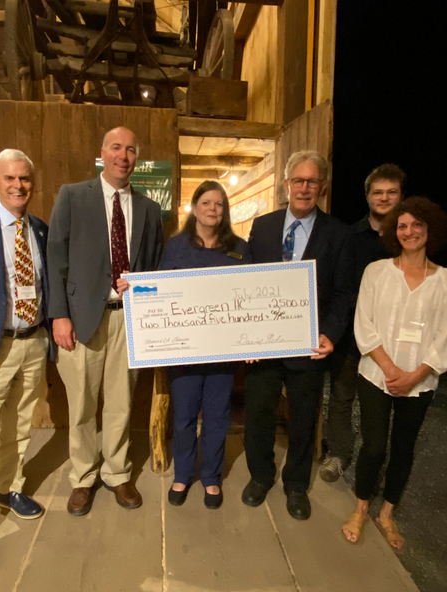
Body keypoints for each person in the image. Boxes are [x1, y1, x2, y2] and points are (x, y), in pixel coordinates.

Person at [47, 127, 163, 517]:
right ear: (102, 153)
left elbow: (154, 268)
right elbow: (55, 259)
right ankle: (83, 477)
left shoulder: (148, 209)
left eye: (131, 150)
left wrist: (145, 295)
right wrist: (59, 314)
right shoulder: (72, 196)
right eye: (116, 147)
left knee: (121, 403)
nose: (123, 155)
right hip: (80, 320)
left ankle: (117, 472)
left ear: (136, 158)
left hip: (127, 321)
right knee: (80, 403)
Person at [242, 150, 355, 520]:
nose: (304, 188)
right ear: (286, 184)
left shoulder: (338, 234)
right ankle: (260, 476)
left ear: (321, 187)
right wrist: (245, 337)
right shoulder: (263, 227)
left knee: (304, 420)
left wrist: (330, 335)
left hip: (308, 346)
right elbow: (245, 284)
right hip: (264, 345)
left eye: (312, 182)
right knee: (258, 414)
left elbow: (343, 293)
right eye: (298, 181)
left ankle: (295, 486)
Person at [342, 197, 447, 551]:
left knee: (404, 448)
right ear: (393, 232)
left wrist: (417, 375)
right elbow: (364, 324)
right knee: (372, 446)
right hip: (376, 374)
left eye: (417, 225)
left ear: (429, 229)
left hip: (422, 381)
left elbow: (445, 336)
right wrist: (390, 369)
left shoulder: (445, 281)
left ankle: (387, 514)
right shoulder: (376, 271)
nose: (409, 232)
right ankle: (360, 508)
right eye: (402, 226)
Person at [0, 149, 50, 573]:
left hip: (32, 343)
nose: (19, 185)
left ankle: (10, 490)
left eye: (25, 179)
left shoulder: (39, 228)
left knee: (19, 428)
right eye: (10, 178)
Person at [160, 181, 251, 509]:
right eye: (207, 202)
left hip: (223, 352)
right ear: (195, 207)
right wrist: (135, 288)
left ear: (224, 211)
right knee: (184, 415)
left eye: (219, 204)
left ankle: (211, 477)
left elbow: (250, 295)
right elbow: (158, 290)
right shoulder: (176, 246)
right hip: (184, 350)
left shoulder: (239, 248)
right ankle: (183, 474)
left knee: (217, 416)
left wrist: (252, 343)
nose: (213, 209)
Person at [320, 164, 405, 482]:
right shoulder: (348, 236)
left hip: (393, 338)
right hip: (350, 334)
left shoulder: (408, 236)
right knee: (341, 397)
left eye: (391, 192)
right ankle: (339, 454)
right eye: (378, 192)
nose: (384, 198)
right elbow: (338, 287)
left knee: (382, 400)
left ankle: (375, 459)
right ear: (368, 195)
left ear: (401, 196)